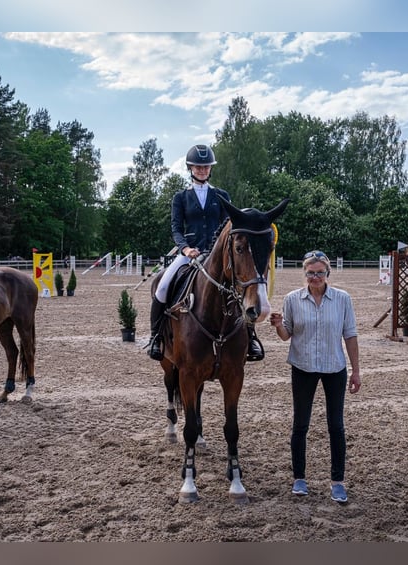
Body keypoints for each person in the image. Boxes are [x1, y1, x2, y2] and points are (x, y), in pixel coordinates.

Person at [147, 144, 265, 361]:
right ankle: (157, 337)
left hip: (217, 255)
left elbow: (230, 226)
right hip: (189, 253)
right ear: (190, 168)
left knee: (239, 289)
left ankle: (251, 337)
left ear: (210, 169)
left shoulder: (221, 195)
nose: (202, 170)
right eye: (198, 167)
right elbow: (176, 228)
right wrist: (185, 248)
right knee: (162, 286)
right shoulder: (180, 197)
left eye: (205, 167)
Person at [269, 250, 361, 502]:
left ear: (327, 273)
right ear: (305, 274)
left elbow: (350, 335)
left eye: (320, 272)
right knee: (300, 425)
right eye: (311, 273)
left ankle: (337, 481)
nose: (315, 277)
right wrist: (278, 325)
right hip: (303, 367)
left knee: (336, 426)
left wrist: (356, 370)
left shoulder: (342, 299)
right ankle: (299, 478)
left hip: (335, 368)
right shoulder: (292, 299)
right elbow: (287, 335)